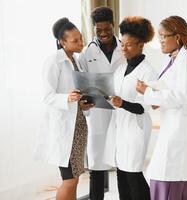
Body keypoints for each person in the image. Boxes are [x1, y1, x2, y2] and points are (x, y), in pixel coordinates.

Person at [136, 15, 187, 200]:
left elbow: (180, 96)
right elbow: (166, 85)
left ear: (177, 37)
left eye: (163, 36)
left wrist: (147, 93)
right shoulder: (173, 58)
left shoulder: (185, 60)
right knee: (168, 175)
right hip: (173, 127)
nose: (159, 40)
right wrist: (149, 86)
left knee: (166, 176)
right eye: (158, 36)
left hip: (179, 130)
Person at [35, 18, 94, 200]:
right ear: (62, 42)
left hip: (78, 126)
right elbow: (47, 96)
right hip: (65, 129)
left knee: (75, 179)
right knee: (69, 180)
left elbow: (78, 93)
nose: (81, 43)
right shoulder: (53, 61)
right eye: (75, 40)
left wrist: (83, 103)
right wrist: (67, 98)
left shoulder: (76, 60)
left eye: (81, 38)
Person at [103, 16, 156, 200]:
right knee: (122, 173)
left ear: (141, 44)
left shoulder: (147, 71)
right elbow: (114, 95)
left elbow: (145, 107)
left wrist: (122, 103)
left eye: (129, 45)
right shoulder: (120, 70)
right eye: (122, 44)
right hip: (120, 128)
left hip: (136, 128)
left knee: (133, 174)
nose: (123, 49)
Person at [78, 7, 125, 200]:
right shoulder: (86, 53)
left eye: (107, 29)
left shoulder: (125, 48)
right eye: (99, 30)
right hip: (98, 112)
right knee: (97, 161)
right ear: (94, 28)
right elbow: (82, 82)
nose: (104, 34)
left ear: (113, 25)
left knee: (123, 161)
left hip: (121, 109)